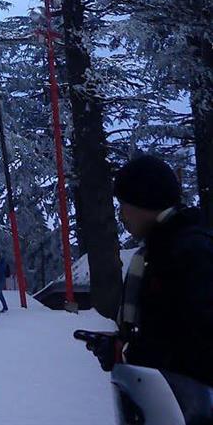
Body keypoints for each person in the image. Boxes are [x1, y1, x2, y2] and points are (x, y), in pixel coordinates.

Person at [85, 154, 213, 387]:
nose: (122, 215)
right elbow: (161, 327)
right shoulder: (158, 251)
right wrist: (120, 346)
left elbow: (197, 345)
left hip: (185, 402)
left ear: (144, 202)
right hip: (164, 399)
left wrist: (129, 352)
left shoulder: (190, 253)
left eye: (124, 205)